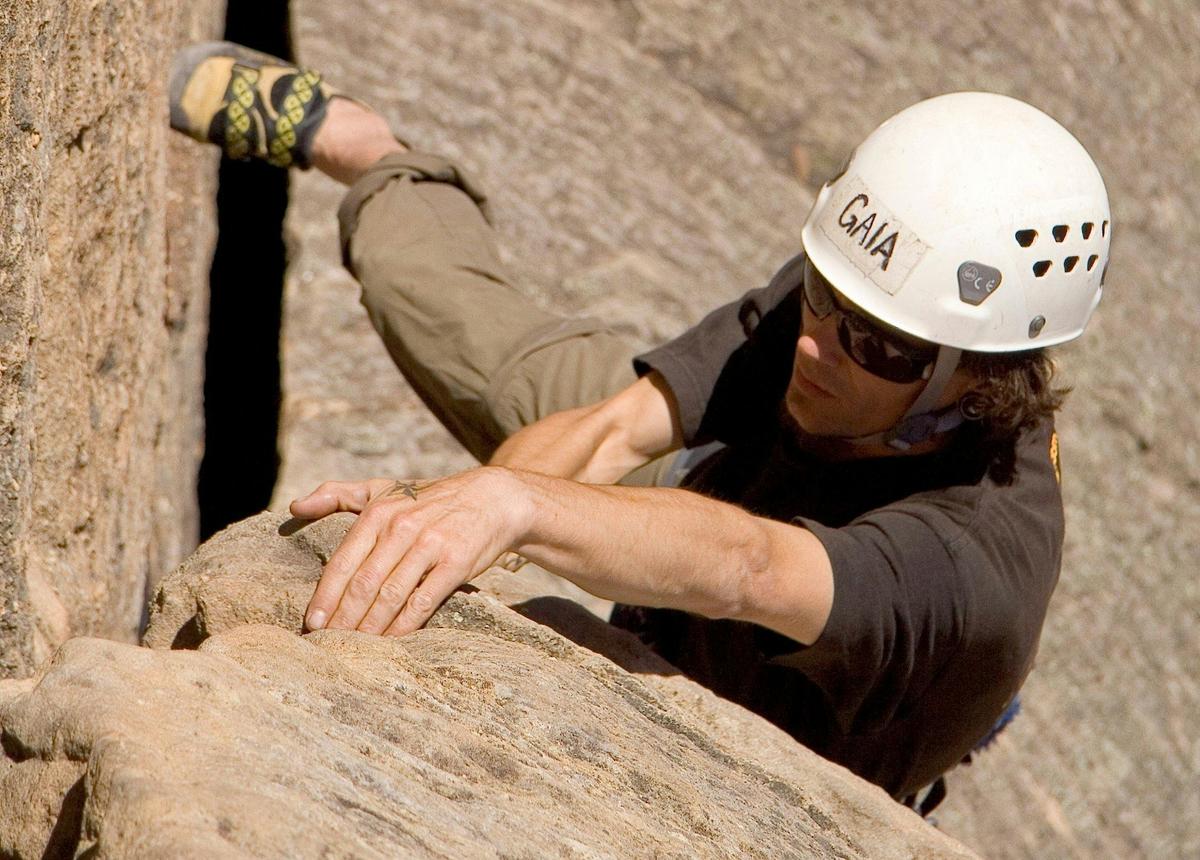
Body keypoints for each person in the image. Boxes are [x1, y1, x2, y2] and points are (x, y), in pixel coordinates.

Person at [168, 42, 1112, 805]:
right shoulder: (868, 294)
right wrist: (457, 513)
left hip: (785, 704)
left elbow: (752, 569)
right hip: (713, 492)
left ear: (977, 381)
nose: (814, 346)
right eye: (821, 295)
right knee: (456, 324)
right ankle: (374, 153)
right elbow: (616, 429)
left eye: (876, 345)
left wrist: (519, 512)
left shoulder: (971, 564)